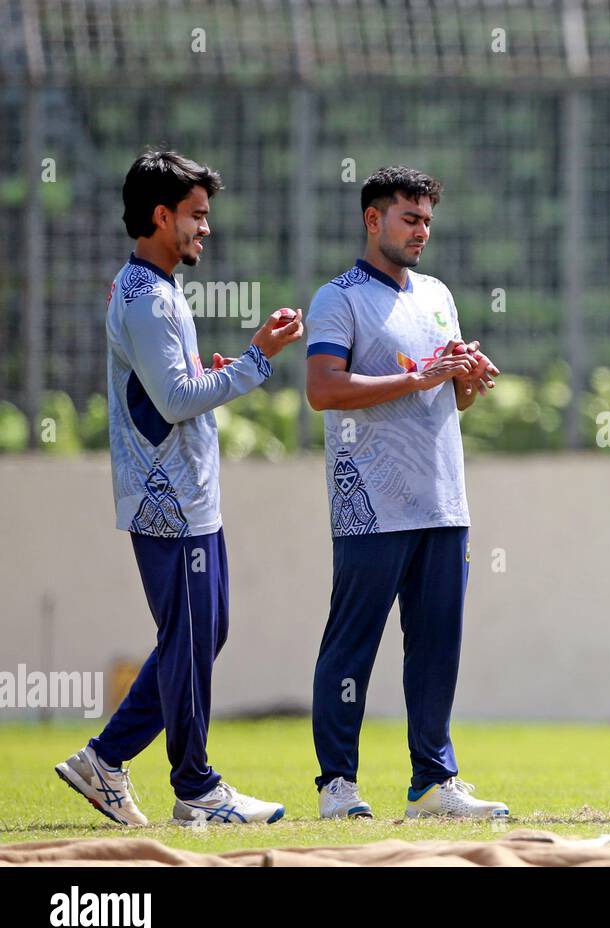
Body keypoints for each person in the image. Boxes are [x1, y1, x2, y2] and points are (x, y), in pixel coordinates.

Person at [55, 148, 303, 826]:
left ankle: (105, 760)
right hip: (168, 505)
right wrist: (257, 360)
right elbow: (173, 400)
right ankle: (197, 789)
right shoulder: (146, 298)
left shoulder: (153, 292)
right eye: (196, 215)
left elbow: (167, 390)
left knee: (202, 633)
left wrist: (212, 372)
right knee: (192, 639)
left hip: (187, 500)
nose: (205, 229)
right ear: (161, 216)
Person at [305, 165, 506, 820]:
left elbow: (451, 398)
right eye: (409, 219)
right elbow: (324, 389)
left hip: (444, 502)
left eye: (427, 221)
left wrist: (467, 378)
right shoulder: (338, 298)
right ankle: (338, 785)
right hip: (370, 503)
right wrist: (422, 376)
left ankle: (432, 782)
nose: (422, 231)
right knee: (351, 647)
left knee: (436, 648)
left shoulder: (439, 295)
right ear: (374, 220)